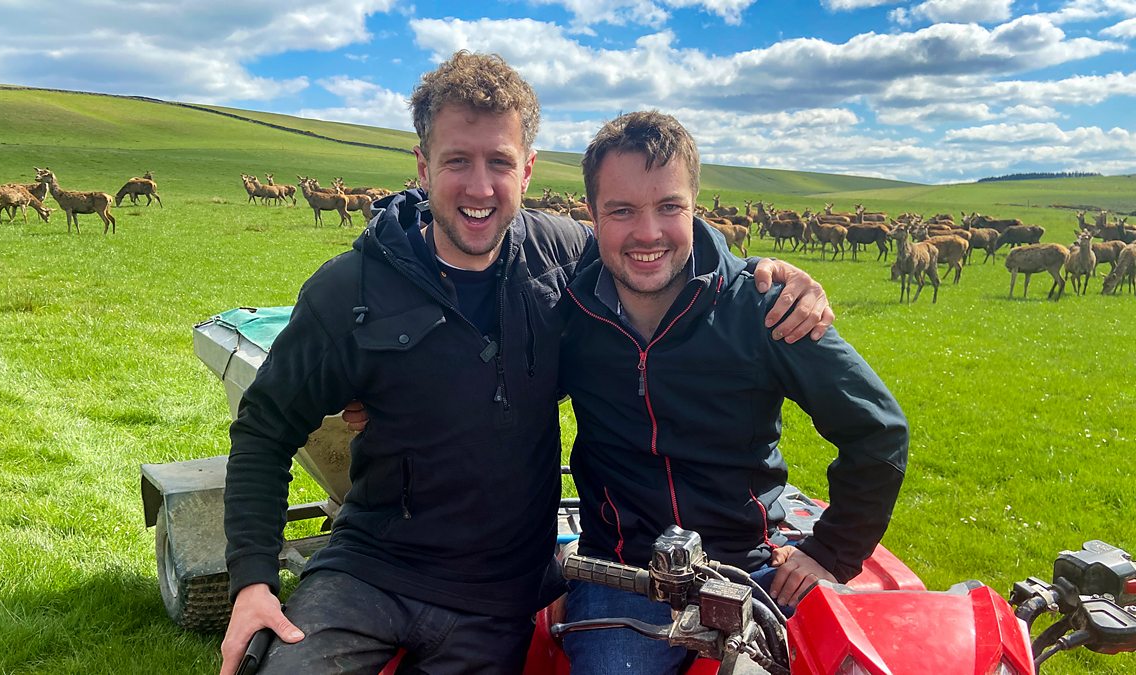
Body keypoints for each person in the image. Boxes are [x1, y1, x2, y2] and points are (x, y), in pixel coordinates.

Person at [219, 52, 832, 675]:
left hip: (496, 595)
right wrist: (252, 581)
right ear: (423, 166)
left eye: (500, 162)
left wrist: (756, 275)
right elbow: (265, 427)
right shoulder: (348, 288)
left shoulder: (566, 256)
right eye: (457, 161)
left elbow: (657, 241)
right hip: (368, 572)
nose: (479, 187)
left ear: (528, 169)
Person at [557, 111, 909, 674]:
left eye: (669, 207)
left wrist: (831, 551)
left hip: (751, 568)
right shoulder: (569, 313)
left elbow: (876, 428)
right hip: (621, 575)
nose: (647, 233)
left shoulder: (764, 307)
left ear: (695, 206)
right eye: (621, 210)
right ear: (592, 214)